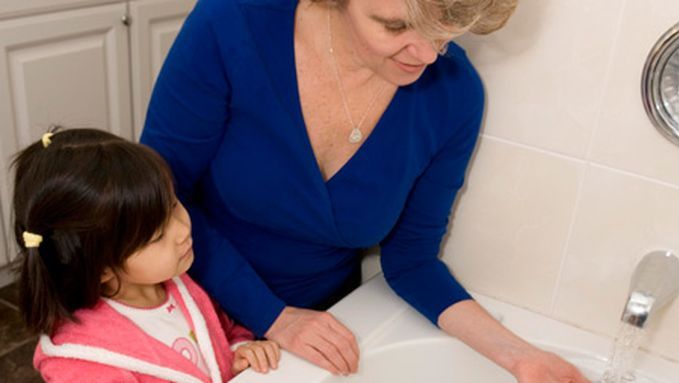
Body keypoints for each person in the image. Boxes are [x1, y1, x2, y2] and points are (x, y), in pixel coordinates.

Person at [141, 0, 589, 381]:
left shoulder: (453, 94)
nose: (428, 55)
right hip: (180, 310)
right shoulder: (232, 22)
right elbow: (157, 197)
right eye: (395, 26)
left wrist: (520, 357)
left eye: (443, 31)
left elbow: (411, 260)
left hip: (325, 323)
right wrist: (272, 315)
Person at [11, 128, 280, 383]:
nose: (182, 230)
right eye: (157, 236)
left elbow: (223, 331)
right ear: (102, 268)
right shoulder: (82, 362)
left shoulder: (179, 283)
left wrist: (239, 352)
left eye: (173, 205)